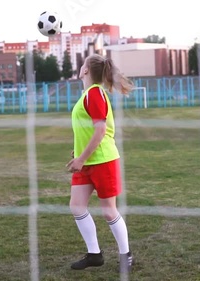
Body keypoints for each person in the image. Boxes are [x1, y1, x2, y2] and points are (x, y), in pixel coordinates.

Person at [66, 54, 134, 273]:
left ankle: (126, 255)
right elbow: (88, 130)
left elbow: (101, 130)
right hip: (86, 161)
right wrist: (79, 152)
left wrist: (82, 158)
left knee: (108, 211)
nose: (80, 67)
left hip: (103, 161)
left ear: (86, 71)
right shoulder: (87, 94)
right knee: (76, 206)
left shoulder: (94, 94)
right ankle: (94, 254)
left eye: (83, 64)